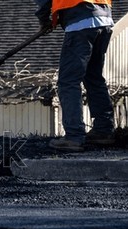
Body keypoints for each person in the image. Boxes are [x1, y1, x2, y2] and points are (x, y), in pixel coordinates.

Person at [34, 0, 115, 152]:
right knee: (94, 77)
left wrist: (44, 19)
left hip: (81, 22)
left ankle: (74, 136)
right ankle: (104, 131)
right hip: (105, 19)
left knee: (68, 82)